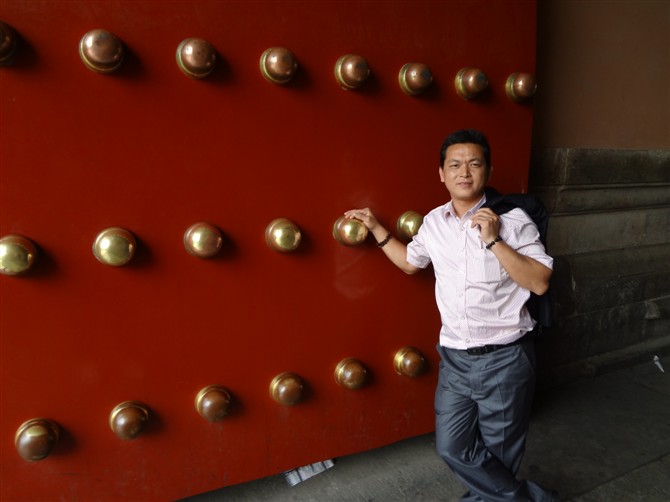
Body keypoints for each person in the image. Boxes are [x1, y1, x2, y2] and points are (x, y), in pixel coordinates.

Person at [344, 129, 558, 502]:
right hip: (455, 358)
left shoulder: (513, 219)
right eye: (455, 165)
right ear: (441, 174)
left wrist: (494, 240)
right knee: (451, 446)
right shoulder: (433, 222)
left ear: (488, 171)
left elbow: (539, 282)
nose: (464, 172)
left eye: (474, 164)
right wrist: (377, 229)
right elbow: (411, 263)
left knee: (499, 457)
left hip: (505, 358)